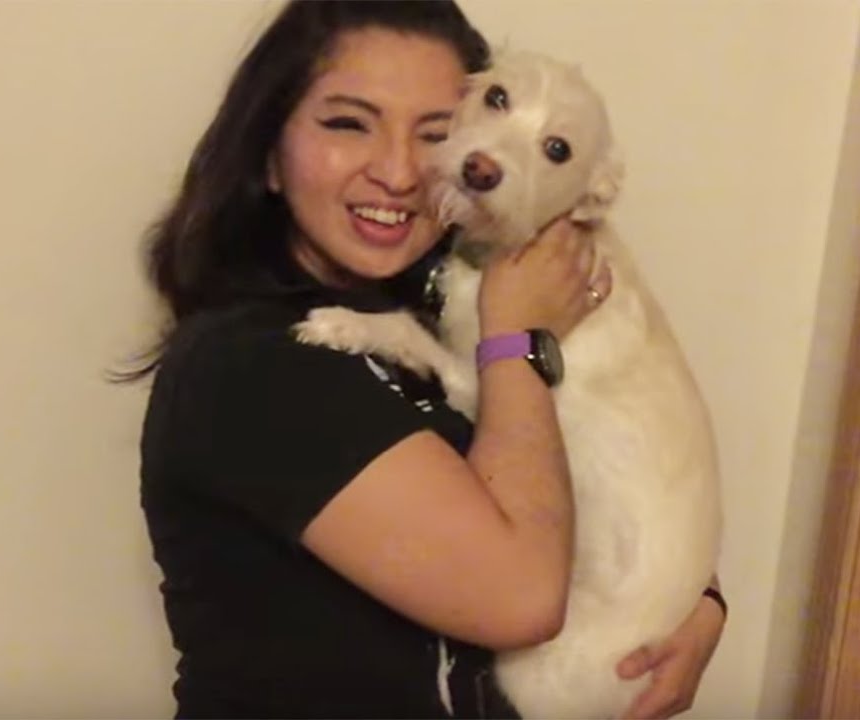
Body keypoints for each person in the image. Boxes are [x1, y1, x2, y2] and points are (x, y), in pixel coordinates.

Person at [134, 2, 725, 717]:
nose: (398, 172)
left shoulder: (427, 310)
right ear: (268, 154)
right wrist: (516, 339)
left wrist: (694, 596)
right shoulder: (250, 368)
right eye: (349, 124)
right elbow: (521, 597)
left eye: (437, 133)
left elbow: (587, 474)